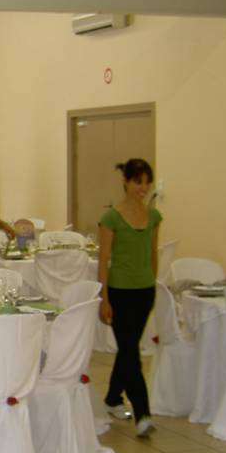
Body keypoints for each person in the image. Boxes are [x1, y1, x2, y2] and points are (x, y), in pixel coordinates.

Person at [98, 158, 161, 437]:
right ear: (126, 182)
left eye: (147, 182)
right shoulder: (111, 218)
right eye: (138, 182)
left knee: (128, 349)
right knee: (131, 352)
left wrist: (152, 282)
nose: (143, 188)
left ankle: (113, 398)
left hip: (144, 292)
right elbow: (103, 261)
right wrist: (104, 298)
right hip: (120, 292)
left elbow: (153, 252)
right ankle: (143, 414)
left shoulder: (154, 216)